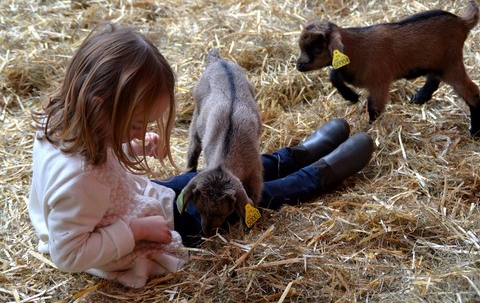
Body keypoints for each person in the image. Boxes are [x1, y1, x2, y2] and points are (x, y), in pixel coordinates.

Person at [28, 23, 374, 288]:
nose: (138, 131)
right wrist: (134, 232)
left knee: (222, 172)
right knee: (244, 198)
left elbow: (93, 169)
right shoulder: (81, 179)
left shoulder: (63, 124)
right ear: (100, 107)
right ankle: (319, 174)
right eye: (134, 125)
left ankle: (297, 154)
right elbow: (68, 253)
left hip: (144, 198)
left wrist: (133, 144)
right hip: (152, 225)